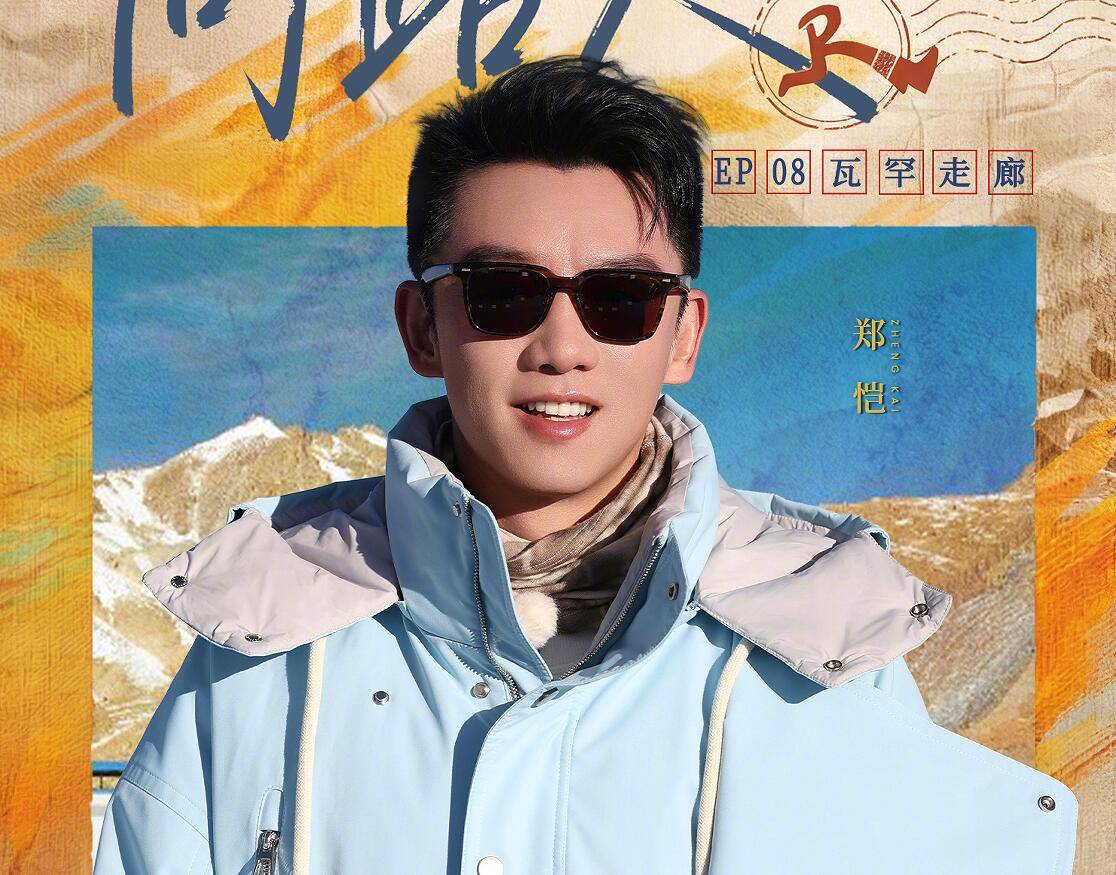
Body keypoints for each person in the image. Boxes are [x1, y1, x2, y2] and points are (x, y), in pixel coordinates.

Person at [94, 55, 1078, 874]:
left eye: (619, 298)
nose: (561, 345)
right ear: (421, 324)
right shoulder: (261, 648)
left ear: (683, 333)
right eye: (502, 289)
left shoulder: (825, 646)